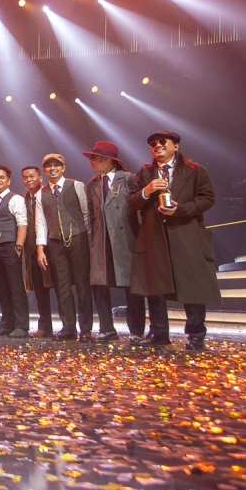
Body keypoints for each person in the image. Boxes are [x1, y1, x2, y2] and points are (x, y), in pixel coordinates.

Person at [129, 131, 220, 350]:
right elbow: (132, 203)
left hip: (186, 234)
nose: (157, 146)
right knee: (155, 286)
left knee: (192, 284)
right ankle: (159, 333)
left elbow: (208, 198)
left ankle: (196, 333)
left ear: (176, 146)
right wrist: (147, 190)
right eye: (152, 143)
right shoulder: (145, 172)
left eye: (162, 142)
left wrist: (181, 210)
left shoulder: (195, 170)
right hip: (154, 236)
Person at [83, 141, 150, 343]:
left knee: (132, 286)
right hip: (101, 240)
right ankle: (107, 328)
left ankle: (137, 331)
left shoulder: (128, 179)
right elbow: (91, 214)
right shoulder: (93, 184)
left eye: (95, 158)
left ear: (108, 160)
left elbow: (140, 206)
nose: (91, 162)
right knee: (99, 283)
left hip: (125, 239)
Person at [35, 153, 93, 342]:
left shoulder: (77, 186)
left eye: (56, 165)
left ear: (63, 167)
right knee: (62, 285)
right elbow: (41, 223)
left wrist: (82, 234)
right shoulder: (40, 194)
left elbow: (86, 213)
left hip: (77, 238)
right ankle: (68, 327)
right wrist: (41, 248)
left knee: (83, 284)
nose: (53, 168)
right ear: (44, 169)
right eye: (49, 166)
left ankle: (86, 329)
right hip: (55, 242)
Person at [0, 164, 30, 338]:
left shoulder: (15, 199)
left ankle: (21, 326)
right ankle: (7, 323)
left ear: (8, 180)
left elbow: (22, 224)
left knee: (16, 287)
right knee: (1, 287)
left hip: (10, 246)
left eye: (1, 177)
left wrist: (18, 246)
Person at [22, 165, 58, 337]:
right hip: (31, 251)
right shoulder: (23, 199)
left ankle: (69, 325)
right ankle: (45, 326)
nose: (29, 180)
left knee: (59, 287)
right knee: (39, 290)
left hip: (51, 248)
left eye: (31, 176)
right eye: (25, 177)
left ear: (40, 178)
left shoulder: (48, 195)